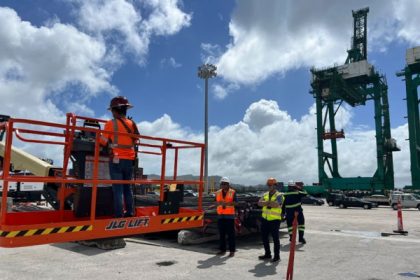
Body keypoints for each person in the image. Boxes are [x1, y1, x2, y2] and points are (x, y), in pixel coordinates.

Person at [100, 96, 139, 218]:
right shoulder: (132, 124)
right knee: (127, 188)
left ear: (115, 110)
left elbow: (103, 142)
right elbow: (136, 139)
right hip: (129, 161)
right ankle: (130, 213)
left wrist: (97, 138)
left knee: (118, 189)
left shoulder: (110, 124)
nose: (111, 113)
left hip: (116, 160)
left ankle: (119, 215)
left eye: (112, 110)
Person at [257, 177, 284, 262]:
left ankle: (277, 256)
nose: (269, 186)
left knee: (275, 239)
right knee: (264, 237)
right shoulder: (265, 194)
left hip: (275, 220)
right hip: (265, 219)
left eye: (270, 185)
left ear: (275, 185)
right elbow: (259, 203)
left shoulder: (280, 195)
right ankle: (267, 254)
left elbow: (276, 205)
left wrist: (265, 203)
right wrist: (269, 203)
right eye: (268, 185)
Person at [214, 177, 237, 257]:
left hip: (229, 216)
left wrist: (226, 204)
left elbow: (235, 203)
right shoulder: (217, 193)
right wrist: (218, 204)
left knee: (231, 234)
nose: (223, 185)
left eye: (225, 184)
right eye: (222, 184)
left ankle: (232, 251)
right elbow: (215, 202)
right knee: (222, 234)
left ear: (228, 184)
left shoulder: (232, 192)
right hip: (220, 216)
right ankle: (222, 250)